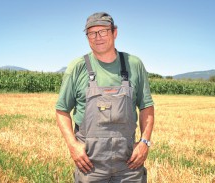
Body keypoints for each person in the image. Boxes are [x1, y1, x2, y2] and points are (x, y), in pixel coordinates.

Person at [56, 12, 154, 183]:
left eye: (103, 31)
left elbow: (146, 106)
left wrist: (145, 142)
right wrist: (73, 146)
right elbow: (62, 110)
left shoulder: (134, 64)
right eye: (92, 33)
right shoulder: (77, 68)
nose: (97, 37)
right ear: (87, 37)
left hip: (129, 163)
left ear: (114, 32)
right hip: (90, 164)